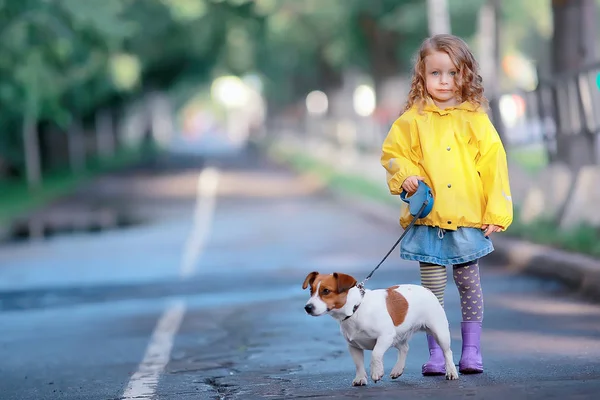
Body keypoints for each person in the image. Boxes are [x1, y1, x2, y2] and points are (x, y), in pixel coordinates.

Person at [380, 34, 513, 375]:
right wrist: (406, 176)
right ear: (421, 76)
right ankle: (438, 354)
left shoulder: (475, 119)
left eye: (452, 73)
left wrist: (496, 211)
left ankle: (471, 351)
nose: (444, 81)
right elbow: (394, 155)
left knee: (469, 285)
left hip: (467, 220)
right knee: (431, 292)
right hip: (428, 223)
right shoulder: (412, 120)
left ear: (465, 75)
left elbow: (493, 165)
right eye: (435, 73)